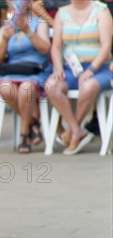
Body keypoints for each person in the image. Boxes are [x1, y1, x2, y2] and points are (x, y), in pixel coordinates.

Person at [46, 0, 112, 155]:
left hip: (100, 68)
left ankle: (71, 133)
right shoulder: (61, 13)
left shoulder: (101, 10)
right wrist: (58, 67)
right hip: (71, 68)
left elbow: (106, 45)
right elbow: (55, 47)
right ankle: (76, 130)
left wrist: (92, 70)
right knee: (51, 86)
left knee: (88, 86)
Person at [0, 0, 52, 153]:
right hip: (13, 70)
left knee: (26, 88)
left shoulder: (39, 23)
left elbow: (45, 49)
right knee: (5, 88)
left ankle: (25, 134)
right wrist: (5, 40)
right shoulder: (6, 28)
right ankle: (33, 122)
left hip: (36, 70)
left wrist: (27, 31)